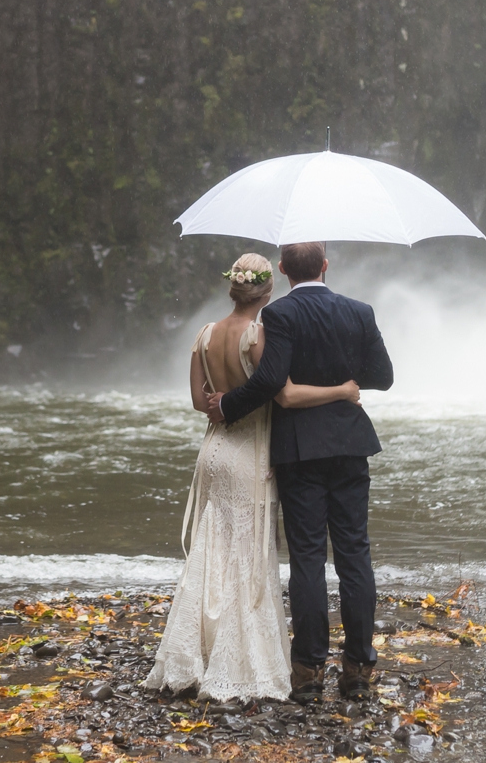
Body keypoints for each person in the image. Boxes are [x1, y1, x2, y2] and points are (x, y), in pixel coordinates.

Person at [143, 253, 361, 701]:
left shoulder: (204, 334)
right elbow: (281, 395)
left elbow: (199, 402)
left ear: (234, 289)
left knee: (212, 547)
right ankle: (239, 659)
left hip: (214, 450)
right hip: (250, 455)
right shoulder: (259, 335)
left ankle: (194, 650)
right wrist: (342, 390)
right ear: (267, 291)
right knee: (247, 553)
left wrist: (222, 403)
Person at [208, 241, 394, 703]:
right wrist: (344, 384)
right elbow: (383, 376)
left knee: (308, 558)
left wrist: (227, 405)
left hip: (299, 448)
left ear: (286, 270)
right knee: (355, 553)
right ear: (326, 267)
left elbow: (272, 380)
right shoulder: (360, 311)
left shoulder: (281, 315)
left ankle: (309, 671)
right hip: (350, 445)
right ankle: (357, 667)